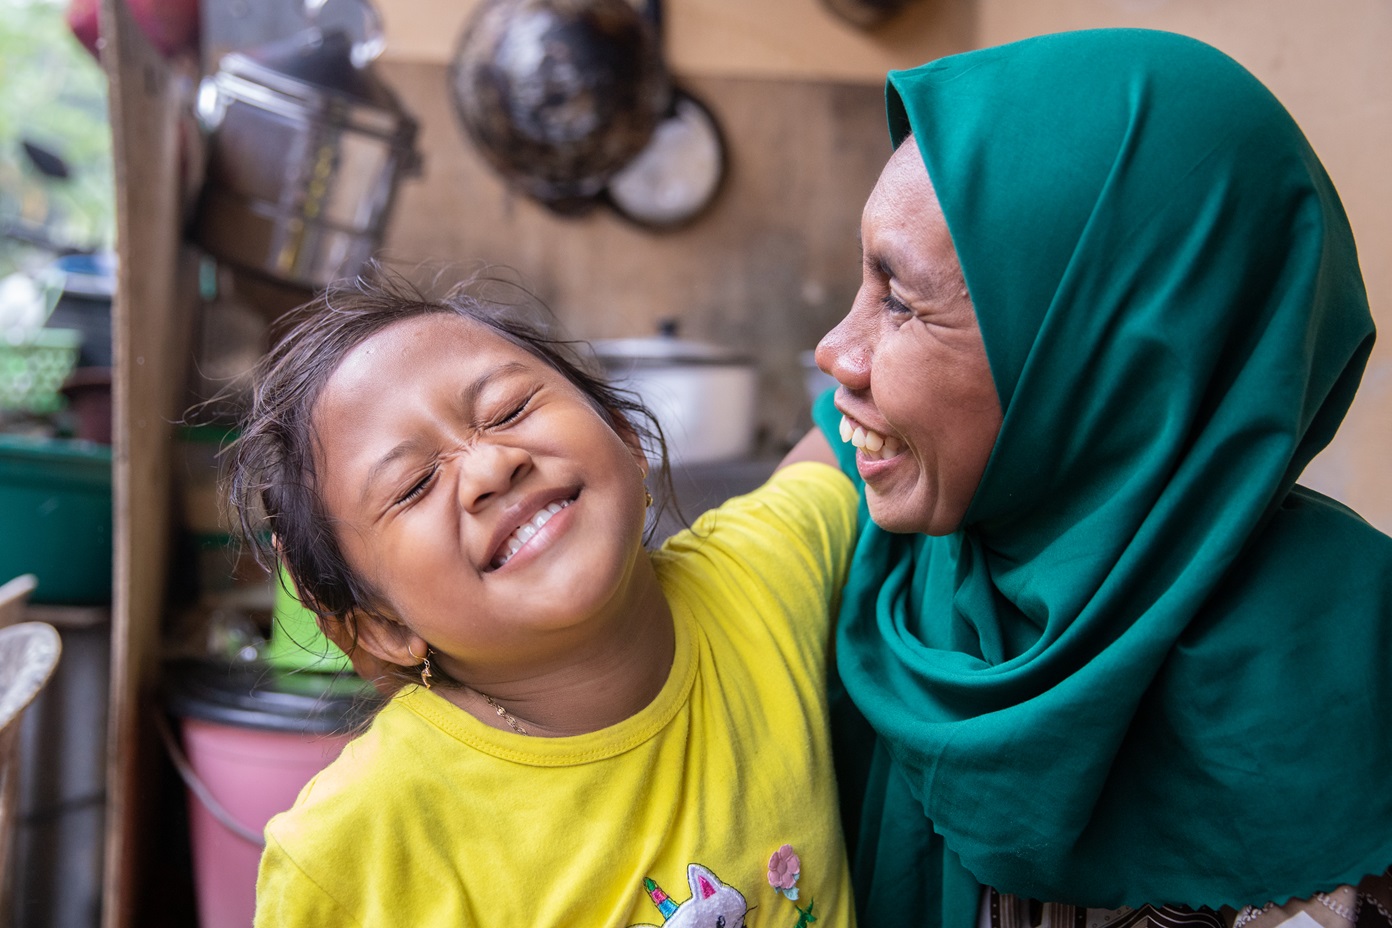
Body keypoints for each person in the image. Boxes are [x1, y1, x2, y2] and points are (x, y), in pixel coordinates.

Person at [791, 27, 1392, 928]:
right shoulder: (891, 516)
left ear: (1107, 359)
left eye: (900, 299)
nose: (834, 351)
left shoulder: (1355, 680)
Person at [227, 272, 860, 927]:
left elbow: (857, 422)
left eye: (508, 411)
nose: (491, 466)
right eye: (413, 485)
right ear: (383, 628)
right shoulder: (356, 848)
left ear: (624, 435)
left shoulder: (757, 578)